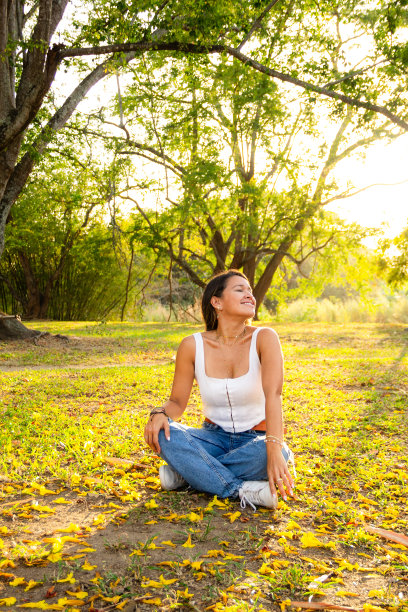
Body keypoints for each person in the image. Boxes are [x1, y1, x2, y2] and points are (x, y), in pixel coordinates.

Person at [144, 270, 295, 510]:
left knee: (277, 454)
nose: (250, 295)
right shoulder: (192, 345)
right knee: (165, 435)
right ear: (217, 302)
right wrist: (159, 413)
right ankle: (240, 490)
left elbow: (273, 396)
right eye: (240, 290)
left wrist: (274, 447)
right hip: (212, 437)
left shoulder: (265, 338)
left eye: (250, 291)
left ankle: (190, 473)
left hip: (256, 439)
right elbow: (177, 403)